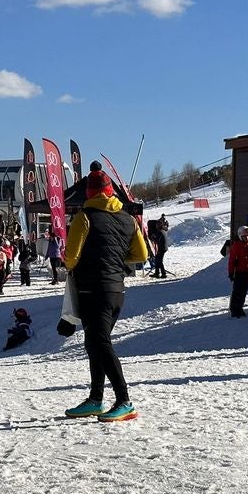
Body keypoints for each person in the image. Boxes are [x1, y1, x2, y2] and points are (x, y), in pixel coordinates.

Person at [62, 163, 149, 422]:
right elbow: (142, 255)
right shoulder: (128, 218)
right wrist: (118, 261)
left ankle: (124, 401)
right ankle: (96, 399)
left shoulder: (85, 216)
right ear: (111, 192)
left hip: (92, 289)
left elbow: (71, 258)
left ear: (89, 193)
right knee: (94, 343)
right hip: (116, 290)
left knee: (100, 343)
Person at [226, 225, 248, 317]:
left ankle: (239, 308)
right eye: (244, 236)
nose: (246, 237)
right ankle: (234, 309)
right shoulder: (237, 245)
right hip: (239, 271)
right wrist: (231, 272)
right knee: (237, 291)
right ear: (240, 236)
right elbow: (231, 260)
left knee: (244, 291)